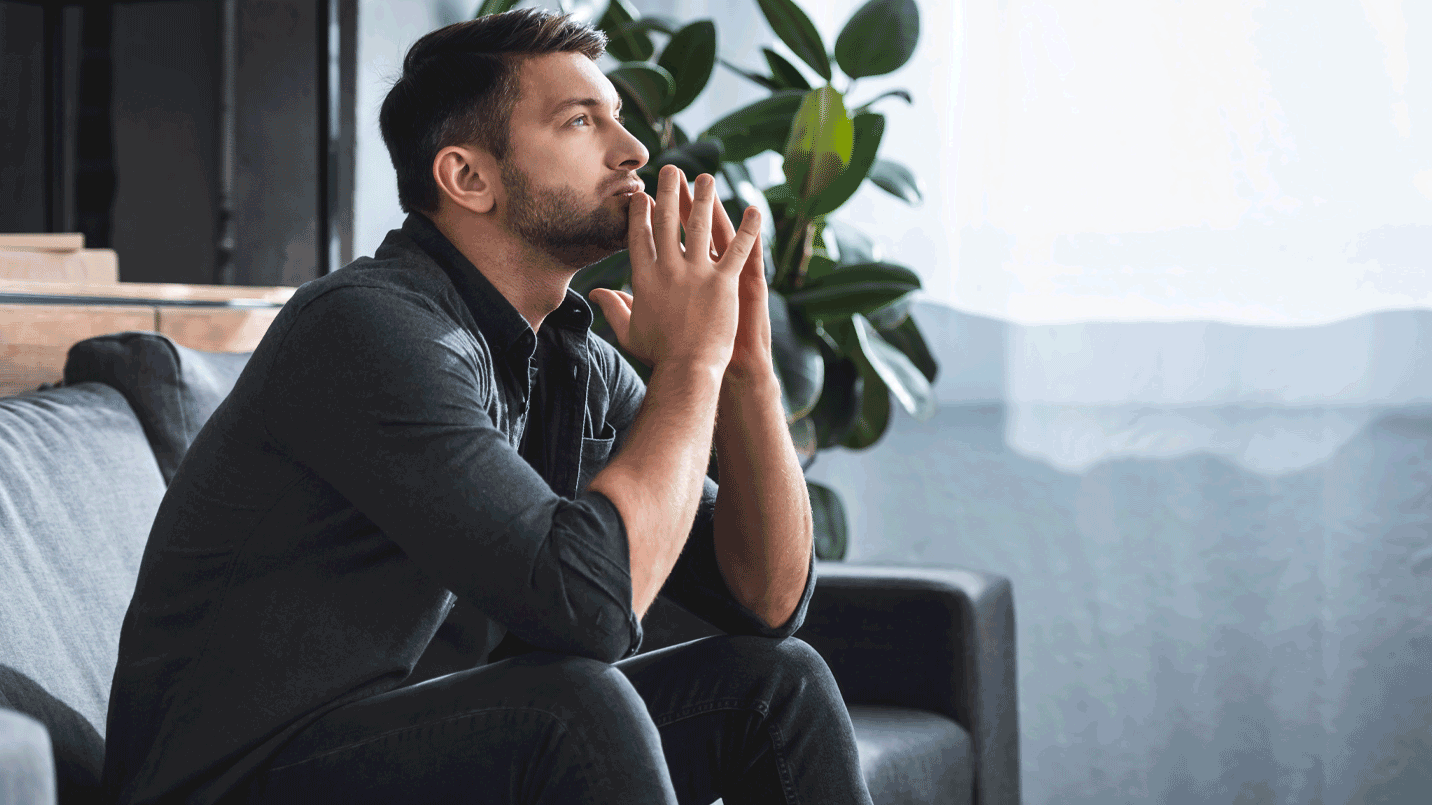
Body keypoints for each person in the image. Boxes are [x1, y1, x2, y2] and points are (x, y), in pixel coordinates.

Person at [100, 8, 874, 805]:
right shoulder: (366, 328)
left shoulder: (573, 358)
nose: (635, 148)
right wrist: (691, 359)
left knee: (774, 684)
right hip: (238, 781)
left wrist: (743, 370)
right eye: (582, 120)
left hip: (420, 753)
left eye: (616, 116)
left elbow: (770, 599)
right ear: (469, 178)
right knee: (575, 703)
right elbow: (591, 613)